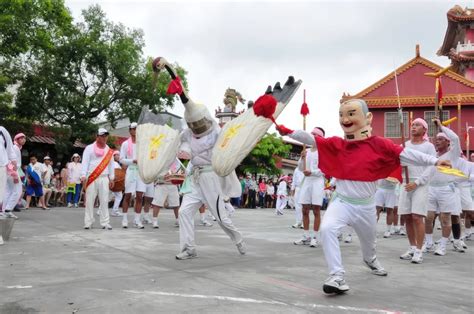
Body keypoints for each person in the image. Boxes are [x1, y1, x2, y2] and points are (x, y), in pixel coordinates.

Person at [277, 98, 451, 294]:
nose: (345, 119)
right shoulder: (338, 144)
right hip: (341, 202)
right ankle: (336, 275)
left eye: (351, 114)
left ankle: (370, 260)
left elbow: (407, 155)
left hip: (366, 206)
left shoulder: (379, 145)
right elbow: (311, 139)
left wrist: (435, 161)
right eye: (341, 115)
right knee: (327, 229)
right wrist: (286, 130)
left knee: (369, 245)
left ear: (367, 118)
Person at [153, 56, 245, 260]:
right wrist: (182, 151)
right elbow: (181, 144)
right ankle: (188, 248)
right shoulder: (188, 133)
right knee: (185, 212)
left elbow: (230, 149)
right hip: (194, 177)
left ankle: (238, 239)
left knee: (221, 218)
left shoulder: (217, 133)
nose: (197, 129)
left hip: (211, 177)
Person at [398, 118, 436, 264]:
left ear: (424, 129)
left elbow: (432, 166)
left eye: (417, 125)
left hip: (420, 184)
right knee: (407, 217)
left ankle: (419, 250)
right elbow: (399, 161)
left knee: (417, 217)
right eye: (412, 125)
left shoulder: (429, 146)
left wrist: (417, 182)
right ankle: (412, 247)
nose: (413, 127)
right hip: (405, 183)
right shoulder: (404, 145)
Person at [424, 123, 463, 256]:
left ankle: (442, 245)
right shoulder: (433, 155)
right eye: (436, 139)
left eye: (440, 139)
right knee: (428, 217)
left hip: (446, 189)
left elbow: (456, 138)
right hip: (431, 188)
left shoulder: (453, 154)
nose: (437, 141)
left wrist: (441, 126)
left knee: (445, 218)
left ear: (447, 142)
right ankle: (428, 243)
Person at [293, 127, 326, 248]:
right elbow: (301, 168)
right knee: (304, 209)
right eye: (311, 135)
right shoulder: (305, 151)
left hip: (317, 181)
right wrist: (302, 158)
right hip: (306, 181)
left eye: (315, 135)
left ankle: (315, 237)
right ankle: (306, 236)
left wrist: (312, 172)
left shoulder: (323, 152)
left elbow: (324, 170)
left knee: (316, 210)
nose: (312, 137)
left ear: (320, 137)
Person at [80, 128, 115, 230]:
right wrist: (83, 175)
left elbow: (111, 165)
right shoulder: (89, 148)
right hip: (91, 177)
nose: (104, 138)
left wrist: (112, 178)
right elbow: (85, 162)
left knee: (104, 201)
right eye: (102, 136)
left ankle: (105, 222)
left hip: (104, 178)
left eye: (106, 136)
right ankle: (88, 222)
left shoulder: (109, 150)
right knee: (89, 201)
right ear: (97, 137)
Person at [120, 122, 147, 229]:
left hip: (141, 171)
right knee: (128, 195)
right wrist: (132, 160)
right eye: (133, 129)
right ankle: (125, 219)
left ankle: (137, 220)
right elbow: (121, 159)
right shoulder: (125, 144)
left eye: (137, 129)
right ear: (130, 130)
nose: (135, 131)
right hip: (131, 170)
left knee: (140, 196)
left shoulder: (143, 143)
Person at [151, 159, 181, 228]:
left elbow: (179, 168)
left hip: (173, 183)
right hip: (161, 182)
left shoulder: (176, 159)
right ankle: (154, 220)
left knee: (176, 203)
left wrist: (175, 174)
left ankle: (178, 220)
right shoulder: (162, 156)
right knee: (157, 203)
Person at [2, 131, 22, 218]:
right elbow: (11, 160)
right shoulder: (15, 147)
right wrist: (14, 174)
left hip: (7, 170)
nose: (23, 139)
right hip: (12, 171)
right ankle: (8, 209)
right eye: (21, 138)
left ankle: (4, 210)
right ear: (16, 139)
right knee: (18, 190)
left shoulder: (16, 147)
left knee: (8, 191)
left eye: (24, 138)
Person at [110, 151, 124, 217]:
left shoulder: (113, 163)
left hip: (112, 181)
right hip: (115, 182)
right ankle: (115, 211)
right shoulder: (115, 163)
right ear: (113, 156)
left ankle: (100, 210)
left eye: (119, 155)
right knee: (119, 196)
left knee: (107, 197)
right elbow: (117, 174)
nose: (118, 156)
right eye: (117, 155)